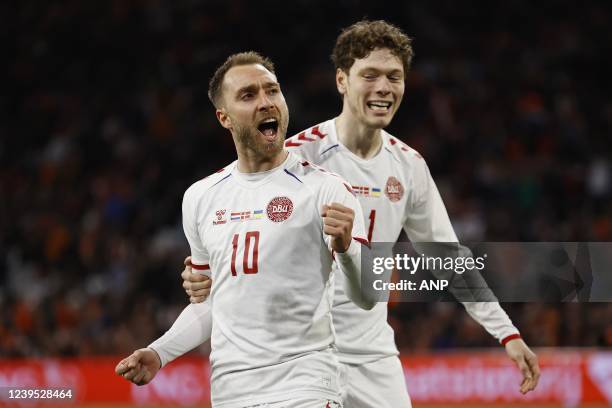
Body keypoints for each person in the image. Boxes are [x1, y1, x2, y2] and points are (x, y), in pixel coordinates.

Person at [182, 20, 540, 407]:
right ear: (342, 81)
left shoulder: (408, 166)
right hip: (300, 361)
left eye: (394, 77)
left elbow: (448, 258)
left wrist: (507, 333)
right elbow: (238, 224)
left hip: (372, 358)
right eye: (369, 75)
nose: (383, 87)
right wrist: (206, 275)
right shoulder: (296, 156)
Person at [115, 51, 374, 408]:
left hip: (305, 388)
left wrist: (347, 249)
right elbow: (212, 305)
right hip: (230, 393)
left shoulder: (326, 190)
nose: (267, 102)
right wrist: (160, 352)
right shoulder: (201, 198)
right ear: (224, 117)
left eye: (273, 91)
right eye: (249, 95)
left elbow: (366, 296)